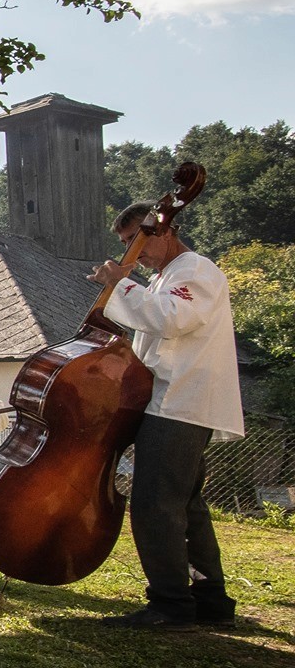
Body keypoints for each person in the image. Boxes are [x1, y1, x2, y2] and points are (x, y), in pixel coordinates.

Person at [90, 200, 245, 630]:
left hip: (180, 402)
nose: (133, 253)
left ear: (164, 231)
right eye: (126, 244)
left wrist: (121, 285)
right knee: (185, 505)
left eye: (136, 241)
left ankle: (171, 604)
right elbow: (156, 331)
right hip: (172, 400)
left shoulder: (195, 270)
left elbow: (172, 320)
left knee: (155, 504)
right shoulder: (166, 277)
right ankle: (210, 599)